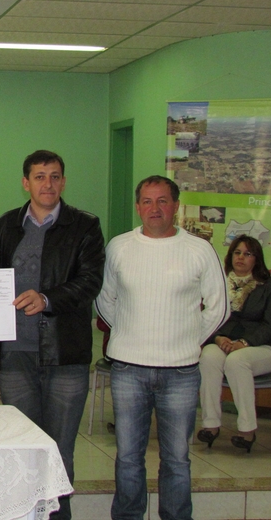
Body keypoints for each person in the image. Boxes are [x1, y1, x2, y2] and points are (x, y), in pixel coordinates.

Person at [96, 175, 229, 520]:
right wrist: (128, 332)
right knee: (128, 458)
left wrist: (188, 339)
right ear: (138, 206)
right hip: (128, 369)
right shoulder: (119, 247)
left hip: (181, 372)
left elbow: (219, 307)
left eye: (162, 201)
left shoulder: (199, 250)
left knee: (177, 459)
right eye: (147, 201)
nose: (154, 208)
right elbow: (104, 300)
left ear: (176, 206)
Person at [0, 150, 105, 520]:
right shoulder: (5, 226)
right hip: (15, 357)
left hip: (65, 356)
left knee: (58, 453)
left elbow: (90, 282)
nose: (48, 184)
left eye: (55, 176)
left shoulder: (85, 226)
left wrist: (46, 299)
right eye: (40, 176)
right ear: (26, 183)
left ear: (64, 182)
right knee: (22, 452)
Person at [197, 235, 271, 453]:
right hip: (224, 341)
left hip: (260, 346)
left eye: (247, 254)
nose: (241, 257)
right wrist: (217, 337)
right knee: (208, 356)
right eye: (237, 253)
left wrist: (245, 342)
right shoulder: (219, 283)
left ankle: (247, 430)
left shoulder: (266, 286)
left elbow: (269, 325)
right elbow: (207, 317)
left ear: (256, 259)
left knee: (237, 361)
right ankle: (210, 425)